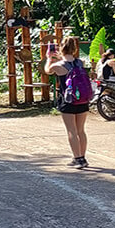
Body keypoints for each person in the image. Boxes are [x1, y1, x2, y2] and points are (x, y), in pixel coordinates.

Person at [44, 35, 90, 169]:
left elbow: (47, 70)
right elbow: (70, 62)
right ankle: (82, 157)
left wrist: (49, 58)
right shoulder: (80, 62)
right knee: (81, 130)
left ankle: (78, 159)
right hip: (82, 99)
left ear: (61, 48)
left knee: (71, 131)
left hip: (68, 100)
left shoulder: (58, 66)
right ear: (74, 48)